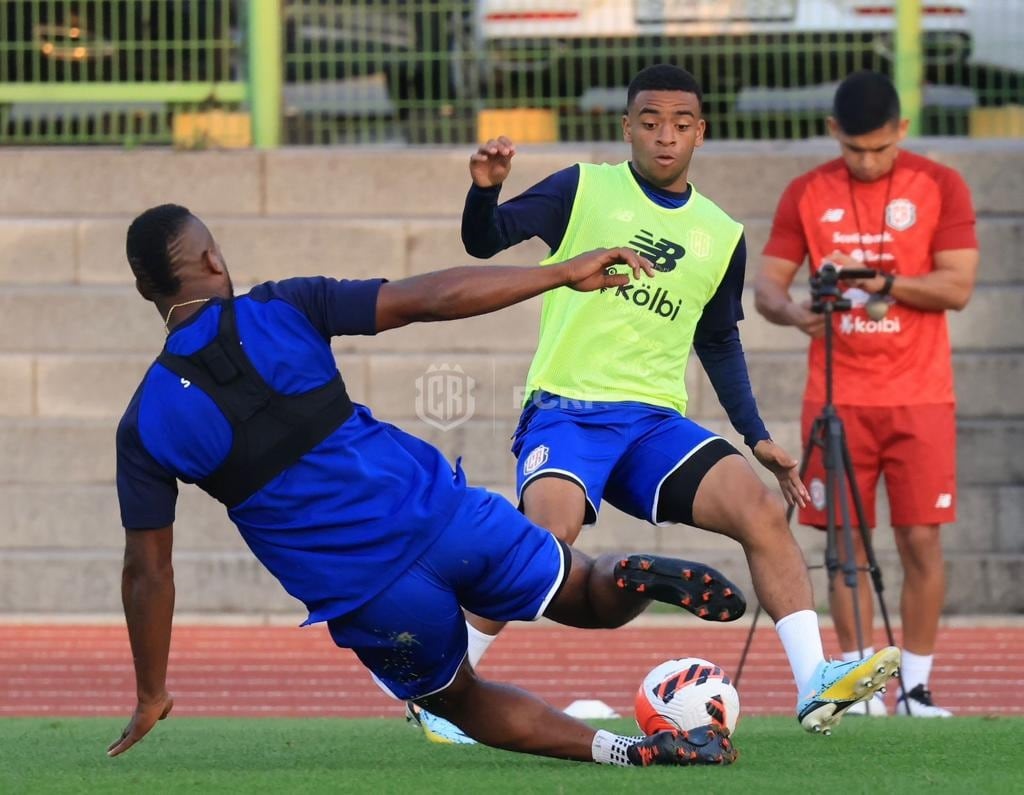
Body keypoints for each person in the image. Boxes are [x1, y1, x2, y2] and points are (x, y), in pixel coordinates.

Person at [109, 203, 749, 767]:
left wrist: (151, 691)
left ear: (144, 289)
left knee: (457, 698)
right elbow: (431, 298)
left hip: (372, 592)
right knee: (583, 594)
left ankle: (631, 751)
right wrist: (559, 272)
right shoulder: (284, 306)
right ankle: (626, 575)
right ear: (212, 259)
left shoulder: (145, 422)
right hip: (451, 518)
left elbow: (148, 572)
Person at [432, 61, 900, 744]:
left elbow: (719, 340)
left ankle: (814, 680)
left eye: (680, 124)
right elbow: (484, 240)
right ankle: (444, 690)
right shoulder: (582, 187)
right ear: (628, 126)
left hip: (653, 426)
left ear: (700, 132)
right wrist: (485, 190)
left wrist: (756, 435)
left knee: (759, 510)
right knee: (546, 539)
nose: (664, 136)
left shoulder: (721, 233)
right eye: (650, 122)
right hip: (568, 411)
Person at [754, 70, 978, 718]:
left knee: (920, 541)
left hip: (921, 395)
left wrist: (886, 282)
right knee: (843, 548)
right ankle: (859, 687)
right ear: (833, 132)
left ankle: (916, 687)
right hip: (837, 398)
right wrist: (795, 313)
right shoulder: (806, 191)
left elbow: (957, 286)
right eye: (855, 149)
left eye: (881, 148)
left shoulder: (941, 184)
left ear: (902, 130)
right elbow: (767, 288)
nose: (869, 161)